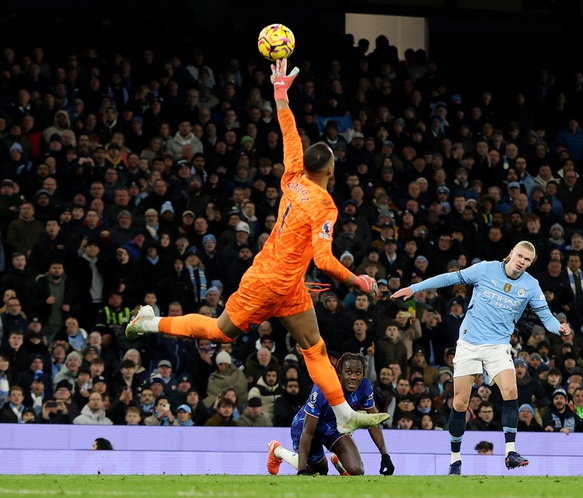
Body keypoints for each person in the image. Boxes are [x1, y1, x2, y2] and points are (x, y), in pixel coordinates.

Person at [124, 59, 387, 435]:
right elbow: (325, 259)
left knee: (315, 347)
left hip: (288, 283)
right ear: (330, 170)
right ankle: (147, 322)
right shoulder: (324, 203)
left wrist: (280, 93)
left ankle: (343, 413)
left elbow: (289, 133)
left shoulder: (293, 175)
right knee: (219, 332)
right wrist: (359, 281)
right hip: (267, 281)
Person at [391, 240, 571, 474]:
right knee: (460, 403)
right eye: (519, 256)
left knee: (511, 390)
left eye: (527, 260)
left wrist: (559, 327)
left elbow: (546, 317)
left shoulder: (531, 285)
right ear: (510, 253)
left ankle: (510, 453)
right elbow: (449, 278)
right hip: (469, 343)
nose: (521, 261)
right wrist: (414, 288)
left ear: (530, 263)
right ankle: (455, 458)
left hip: (498, 346)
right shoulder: (486, 269)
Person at [266, 353, 394, 476]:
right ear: (339, 373)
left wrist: (385, 455)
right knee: (320, 472)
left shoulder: (365, 387)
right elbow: (307, 431)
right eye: (348, 372)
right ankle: (277, 450)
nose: (353, 377)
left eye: (358, 372)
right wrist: (301, 470)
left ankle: (339, 462)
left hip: (334, 426)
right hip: (307, 427)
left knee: (357, 470)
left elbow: (373, 422)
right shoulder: (323, 388)